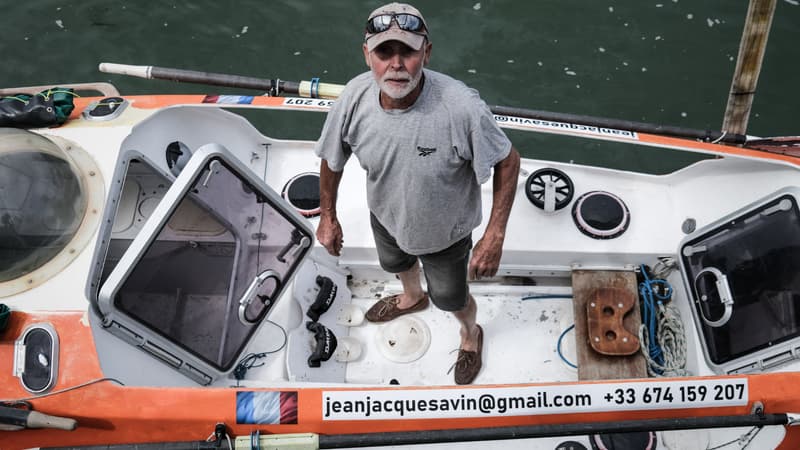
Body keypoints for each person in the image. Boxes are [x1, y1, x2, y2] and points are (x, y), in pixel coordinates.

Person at [314, 2, 520, 385]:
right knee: (397, 265)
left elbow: (508, 161)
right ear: (366, 54)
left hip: (446, 237)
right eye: (384, 52)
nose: (396, 64)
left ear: (426, 51)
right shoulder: (353, 98)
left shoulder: (461, 108)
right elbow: (331, 158)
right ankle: (411, 297)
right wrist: (328, 216)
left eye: (407, 51)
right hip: (386, 217)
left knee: (453, 300)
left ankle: (470, 335)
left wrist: (494, 236)